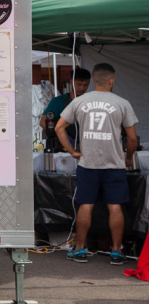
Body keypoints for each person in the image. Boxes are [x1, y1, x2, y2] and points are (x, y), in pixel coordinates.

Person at [56, 63, 138, 264]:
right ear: (111, 80)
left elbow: (59, 128)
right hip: (114, 165)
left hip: (88, 164)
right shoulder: (122, 103)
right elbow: (133, 139)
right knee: (115, 206)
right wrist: (128, 158)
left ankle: (80, 249)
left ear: (93, 80)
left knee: (86, 205)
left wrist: (73, 151)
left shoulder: (80, 101)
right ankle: (117, 251)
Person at [40, 67, 91, 150]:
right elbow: (43, 122)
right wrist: (61, 136)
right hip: (62, 148)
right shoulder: (58, 101)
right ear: (71, 82)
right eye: (79, 84)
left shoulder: (91, 102)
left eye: (85, 85)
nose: (81, 88)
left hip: (86, 146)